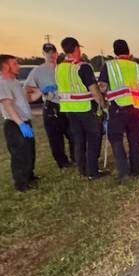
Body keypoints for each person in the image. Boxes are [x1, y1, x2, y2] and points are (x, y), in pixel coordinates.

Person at [55, 37, 109, 180]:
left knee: (78, 140)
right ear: (77, 49)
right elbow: (94, 91)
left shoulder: (59, 68)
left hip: (70, 110)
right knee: (93, 139)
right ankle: (92, 172)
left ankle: (82, 169)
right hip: (85, 109)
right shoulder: (83, 67)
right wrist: (104, 105)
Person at [98, 39, 139, 184]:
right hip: (136, 109)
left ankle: (124, 172)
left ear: (114, 52)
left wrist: (103, 100)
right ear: (128, 50)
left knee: (116, 139)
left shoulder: (110, 66)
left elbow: (102, 87)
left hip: (118, 109)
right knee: (134, 141)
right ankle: (136, 170)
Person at [24, 43, 74, 168]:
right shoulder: (38, 71)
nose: (51, 55)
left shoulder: (63, 68)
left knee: (74, 134)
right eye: (48, 53)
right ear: (43, 55)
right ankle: (62, 162)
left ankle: (76, 158)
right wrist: (41, 91)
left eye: (53, 52)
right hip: (51, 107)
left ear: (57, 54)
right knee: (55, 138)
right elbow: (27, 89)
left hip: (67, 105)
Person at [0, 54, 36, 191]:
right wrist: (20, 124)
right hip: (15, 124)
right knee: (19, 155)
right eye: (15, 63)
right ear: (5, 66)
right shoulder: (1, 83)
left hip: (24, 121)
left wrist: (43, 91)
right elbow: (7, 104)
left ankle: (29, 176)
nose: (18, 66)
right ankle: (21, 183)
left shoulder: (15, 82)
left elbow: (28, 99)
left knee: (29, 151)